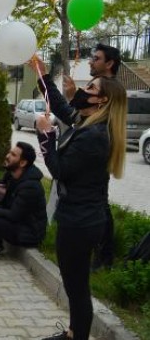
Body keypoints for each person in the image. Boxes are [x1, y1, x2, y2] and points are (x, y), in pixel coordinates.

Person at [30, 55, 127, 340]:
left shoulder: (95, 136)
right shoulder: (88, 125)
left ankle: (77, 335)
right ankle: (75, 332)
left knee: (77, 287)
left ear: (102, 101)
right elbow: (62, 106)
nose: (83, 93)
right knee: (75, 284)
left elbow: (60, 169)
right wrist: (43, 76)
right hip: (80, 217)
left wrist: (45, 137)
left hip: (80, 222)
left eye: (90, 89)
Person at [62, 44, 122, 272]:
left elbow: (81, 114)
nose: (90, 61)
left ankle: (104, 256)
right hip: (88, 155)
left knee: (100, 206)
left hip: (94, 154)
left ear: (109, 64)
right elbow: (73, 113)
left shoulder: (112, 91)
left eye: (96, 58)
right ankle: (101, 255)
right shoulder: (96, 91)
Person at [0, 142, 48, 260]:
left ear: (23, 163)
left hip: (29, 231)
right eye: (9, 152)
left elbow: (14, 215)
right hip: (16, 222)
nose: (7, 156)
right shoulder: (11, 174)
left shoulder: (31, 186)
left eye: (13, 155)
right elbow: (3, 195)